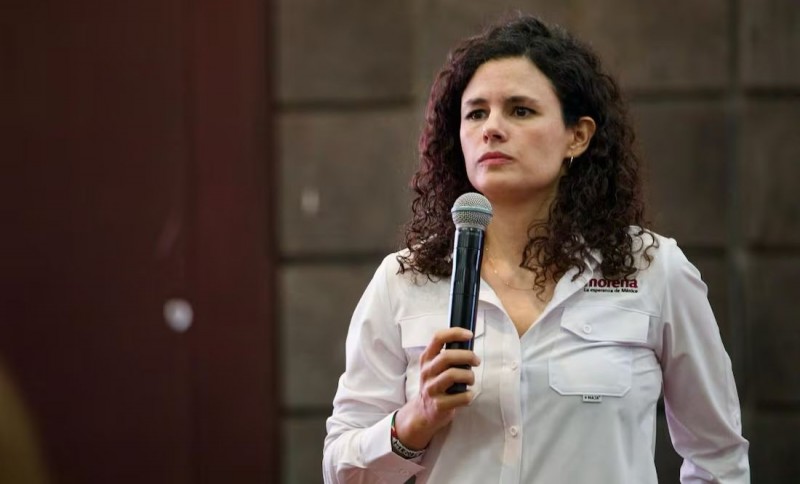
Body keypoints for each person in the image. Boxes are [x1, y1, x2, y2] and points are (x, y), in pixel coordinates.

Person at [322, 14, 749, 484]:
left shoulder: (652, 269)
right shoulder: (404, 280)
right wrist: (414, 421)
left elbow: (719, 458)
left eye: (520, 110)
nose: (492, 128)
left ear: (577, 136)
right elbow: (342, 469)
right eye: (476, 113)